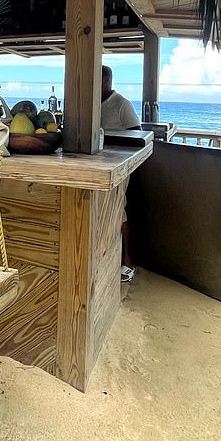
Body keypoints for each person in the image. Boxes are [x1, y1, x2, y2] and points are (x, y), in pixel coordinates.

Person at [99, 65, 141, 284]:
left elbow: (137, 133)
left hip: (118, 166)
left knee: (119, 211)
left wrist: (112, 140)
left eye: (97, 80)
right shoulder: (91, 101)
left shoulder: (121, 104)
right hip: (97, 166)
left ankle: (128, 262)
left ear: (107, 81)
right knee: (102, 212)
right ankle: (106, 260)